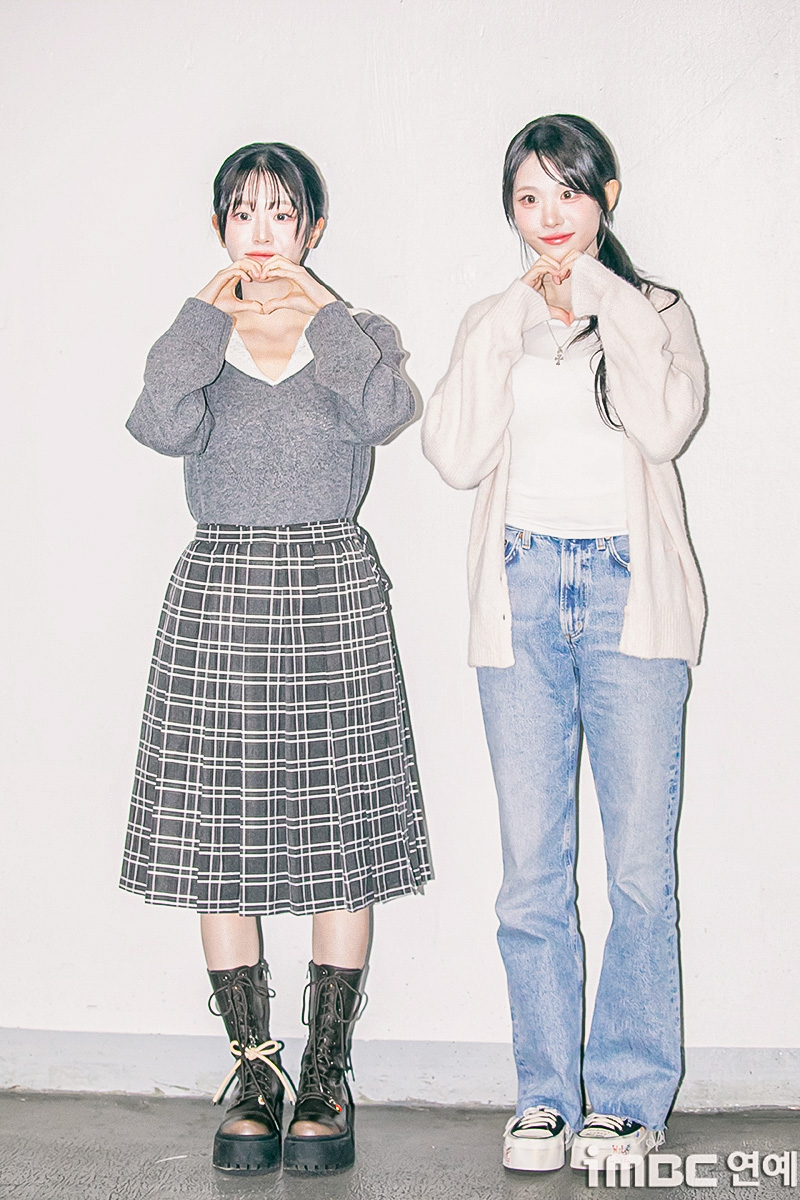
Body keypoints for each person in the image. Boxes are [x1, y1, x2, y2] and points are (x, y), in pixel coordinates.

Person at [120, 141, 432, 1177]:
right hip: (221, 590)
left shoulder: (358, 335)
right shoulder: (198, 342)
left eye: (282, 213)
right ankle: (254, 1070)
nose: (261, 232)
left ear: (313, 229)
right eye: (243, 212)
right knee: (220, 838)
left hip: (330, 586)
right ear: (219, 227)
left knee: (342, 831)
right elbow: (158, 426)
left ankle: (326, 1074)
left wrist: (324, 311)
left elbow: (385, 414)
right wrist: (200, 321)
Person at [422, 114, 705, 1173]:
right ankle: (543, 1097)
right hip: (522, 593)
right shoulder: (491, 320)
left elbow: (663, 426)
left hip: (632, 596)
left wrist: (604, 299)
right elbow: (454, 455)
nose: (547, 217)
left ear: (605, 198)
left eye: (567, 193)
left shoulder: (657, 313)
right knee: (531, 874)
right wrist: (511, 319)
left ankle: (625, 1101)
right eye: (528, 197)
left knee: (636, 870)